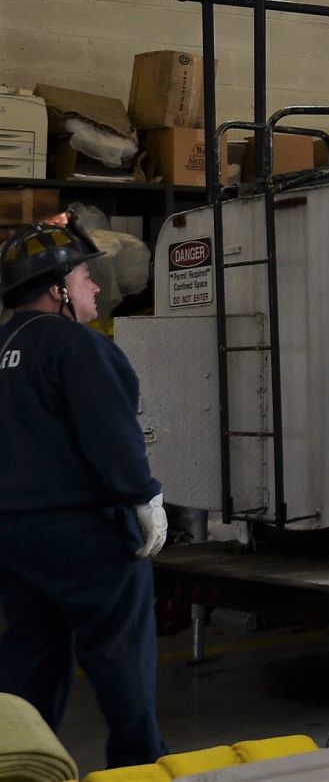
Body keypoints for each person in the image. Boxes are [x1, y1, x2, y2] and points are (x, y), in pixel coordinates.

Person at [0, 222, 168, 767]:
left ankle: (20, 760)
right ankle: (139, 768)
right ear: (57, 290)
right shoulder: (77, 346)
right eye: (84, 277)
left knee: (31, 656)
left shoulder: (2, 346)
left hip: (13, 537)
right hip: (86, 537)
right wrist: (144, 498)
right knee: (120, 655)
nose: (95, 288)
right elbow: (110, 435)